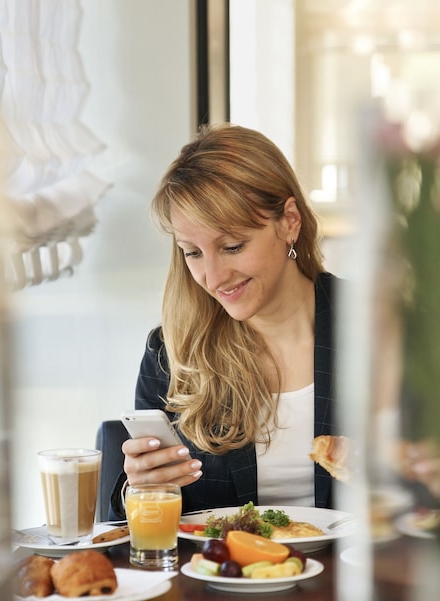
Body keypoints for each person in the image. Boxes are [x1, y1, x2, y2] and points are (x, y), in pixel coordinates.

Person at [108, 123, 343, 518]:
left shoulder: (377, 327)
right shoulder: (171, 353)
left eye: (232, 246)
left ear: (289, 221)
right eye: (193, 252)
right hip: (217, 561)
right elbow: (137, 518)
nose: (213, 279)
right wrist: (140, 488)